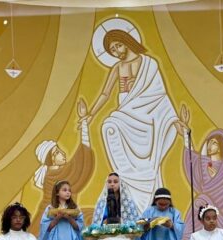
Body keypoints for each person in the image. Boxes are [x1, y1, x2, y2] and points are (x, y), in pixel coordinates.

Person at [78, 28, 187, 212]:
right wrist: (91, 114)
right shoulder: (117, 68)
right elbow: (105, 93)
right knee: (109, 125)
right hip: (126, 111)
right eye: (112, 50)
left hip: (147, 117)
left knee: (145, 159)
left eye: (118, 45)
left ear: (127, 41)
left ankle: (145, 192)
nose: (117, 51)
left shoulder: (149, 64)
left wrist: (176, 121)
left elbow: (160, 96)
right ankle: (126, 184)